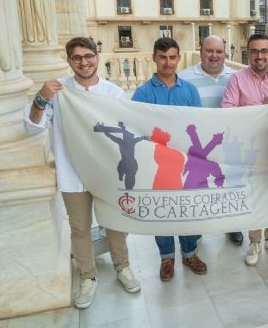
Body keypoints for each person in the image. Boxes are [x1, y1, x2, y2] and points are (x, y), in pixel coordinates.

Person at [24, 37, 141, 309]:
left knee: (115, 222)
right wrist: (41, 98)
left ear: (97, 57)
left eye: (88, 56)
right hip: (72, 172)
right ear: (69, 61)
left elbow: (127, 129)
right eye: (77, 58)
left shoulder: (113, 93)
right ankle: (87, 276)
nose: (84, 62)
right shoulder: (58, 91)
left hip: (107, 174)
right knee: (79, 228)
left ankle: (122, 266)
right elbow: (32, 126)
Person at [132, 37, 208, 281]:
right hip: (156, 165)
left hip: (185, 163)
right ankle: (166, 257)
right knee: (162, 210)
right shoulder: (143, 93)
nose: (167, 62)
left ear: (178, 58)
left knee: (186, 210)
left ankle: (190, 253)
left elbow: (199, 125)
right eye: (162, 57)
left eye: (172, 57)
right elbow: (136, 128)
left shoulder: (190, 91)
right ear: (154, 58)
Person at [222, 33, 268, 266]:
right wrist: (260, 111)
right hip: (248, 153)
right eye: (254, 51)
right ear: (248, 53)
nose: (259, 56)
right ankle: (254, 241)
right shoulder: (236, 80)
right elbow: (228, 114)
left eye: (264, 51)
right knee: (252, 196)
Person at [178, 34, 243, 246]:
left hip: (227, 144)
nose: (214, 56)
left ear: (225, 54)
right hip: (197, 148)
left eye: (219, 51)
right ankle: (197, 228)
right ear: (201, 51)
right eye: (209, 51)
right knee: (197, 188)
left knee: (229, 186)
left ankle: (232, 226)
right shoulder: (184, 77)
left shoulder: (237, 77)